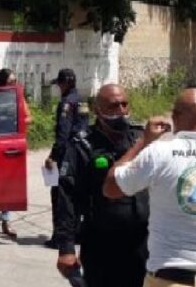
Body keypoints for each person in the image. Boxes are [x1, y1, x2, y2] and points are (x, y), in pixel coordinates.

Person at [104, 89, 196, 287]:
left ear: (175, 117)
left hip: (167, 278)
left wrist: (143, 142)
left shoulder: (159, 153)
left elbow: (111, 187)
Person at [54, 84, 149, 287]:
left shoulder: (140, 138)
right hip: (101, 243)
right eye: (114, 106)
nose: (121, 111)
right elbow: (67, 197)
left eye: (124, 104)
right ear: (98, 110)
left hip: (143, 242)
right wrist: (66, 248)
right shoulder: (82, 145)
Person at [0, 68, 31, 239]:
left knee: (7, 184)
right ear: (2, 82)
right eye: (11, 81)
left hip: (10, 145)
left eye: (15, 81)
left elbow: (28, 117)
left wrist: (16, 122)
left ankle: (6, 221)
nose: (14, 84)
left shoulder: (17, 97)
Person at [45, 68, 89, 248]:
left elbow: (63, 134)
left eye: (60, 84)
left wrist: (53, 156)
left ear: (66, 83)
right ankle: (76, 233)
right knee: (76, 195)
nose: (59, 87)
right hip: (80, 154)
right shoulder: (82, 100)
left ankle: (61, 238)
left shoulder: (66, 103)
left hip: (65, 154)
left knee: (59, 195)